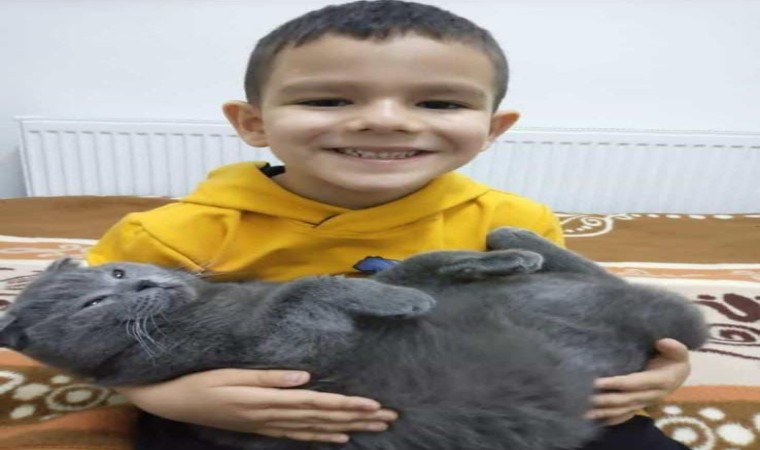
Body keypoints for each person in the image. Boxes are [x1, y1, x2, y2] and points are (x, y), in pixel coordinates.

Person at [86, 1, 692, 448]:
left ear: (491, 129)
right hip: (272, 416)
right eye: (328, 100)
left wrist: (660, 367)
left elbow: (574, 317)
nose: (385, 121)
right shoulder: (171, 234)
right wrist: (161, 396)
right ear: (254, 123)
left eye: (439, 103)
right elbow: (85, 334)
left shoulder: (513, 222)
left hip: (464, 396)